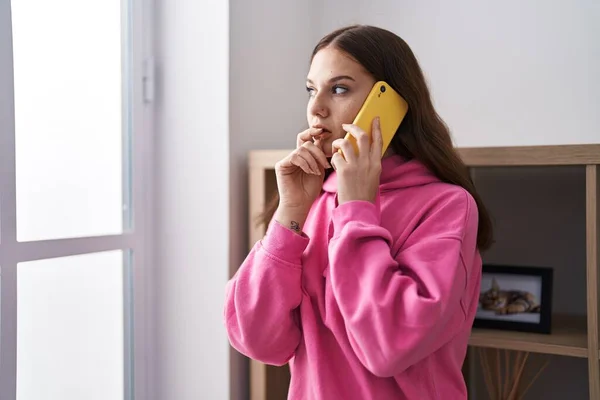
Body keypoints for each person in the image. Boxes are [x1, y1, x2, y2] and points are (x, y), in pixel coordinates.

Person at [224, 24, 493, 400]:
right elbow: (257, 340)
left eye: (339, 89)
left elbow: (389, 347)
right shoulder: (314, 202)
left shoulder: (447, 206)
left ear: (392, 103)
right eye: (311, 89)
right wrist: (290, 214)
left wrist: (356, 210)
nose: (316, 108)